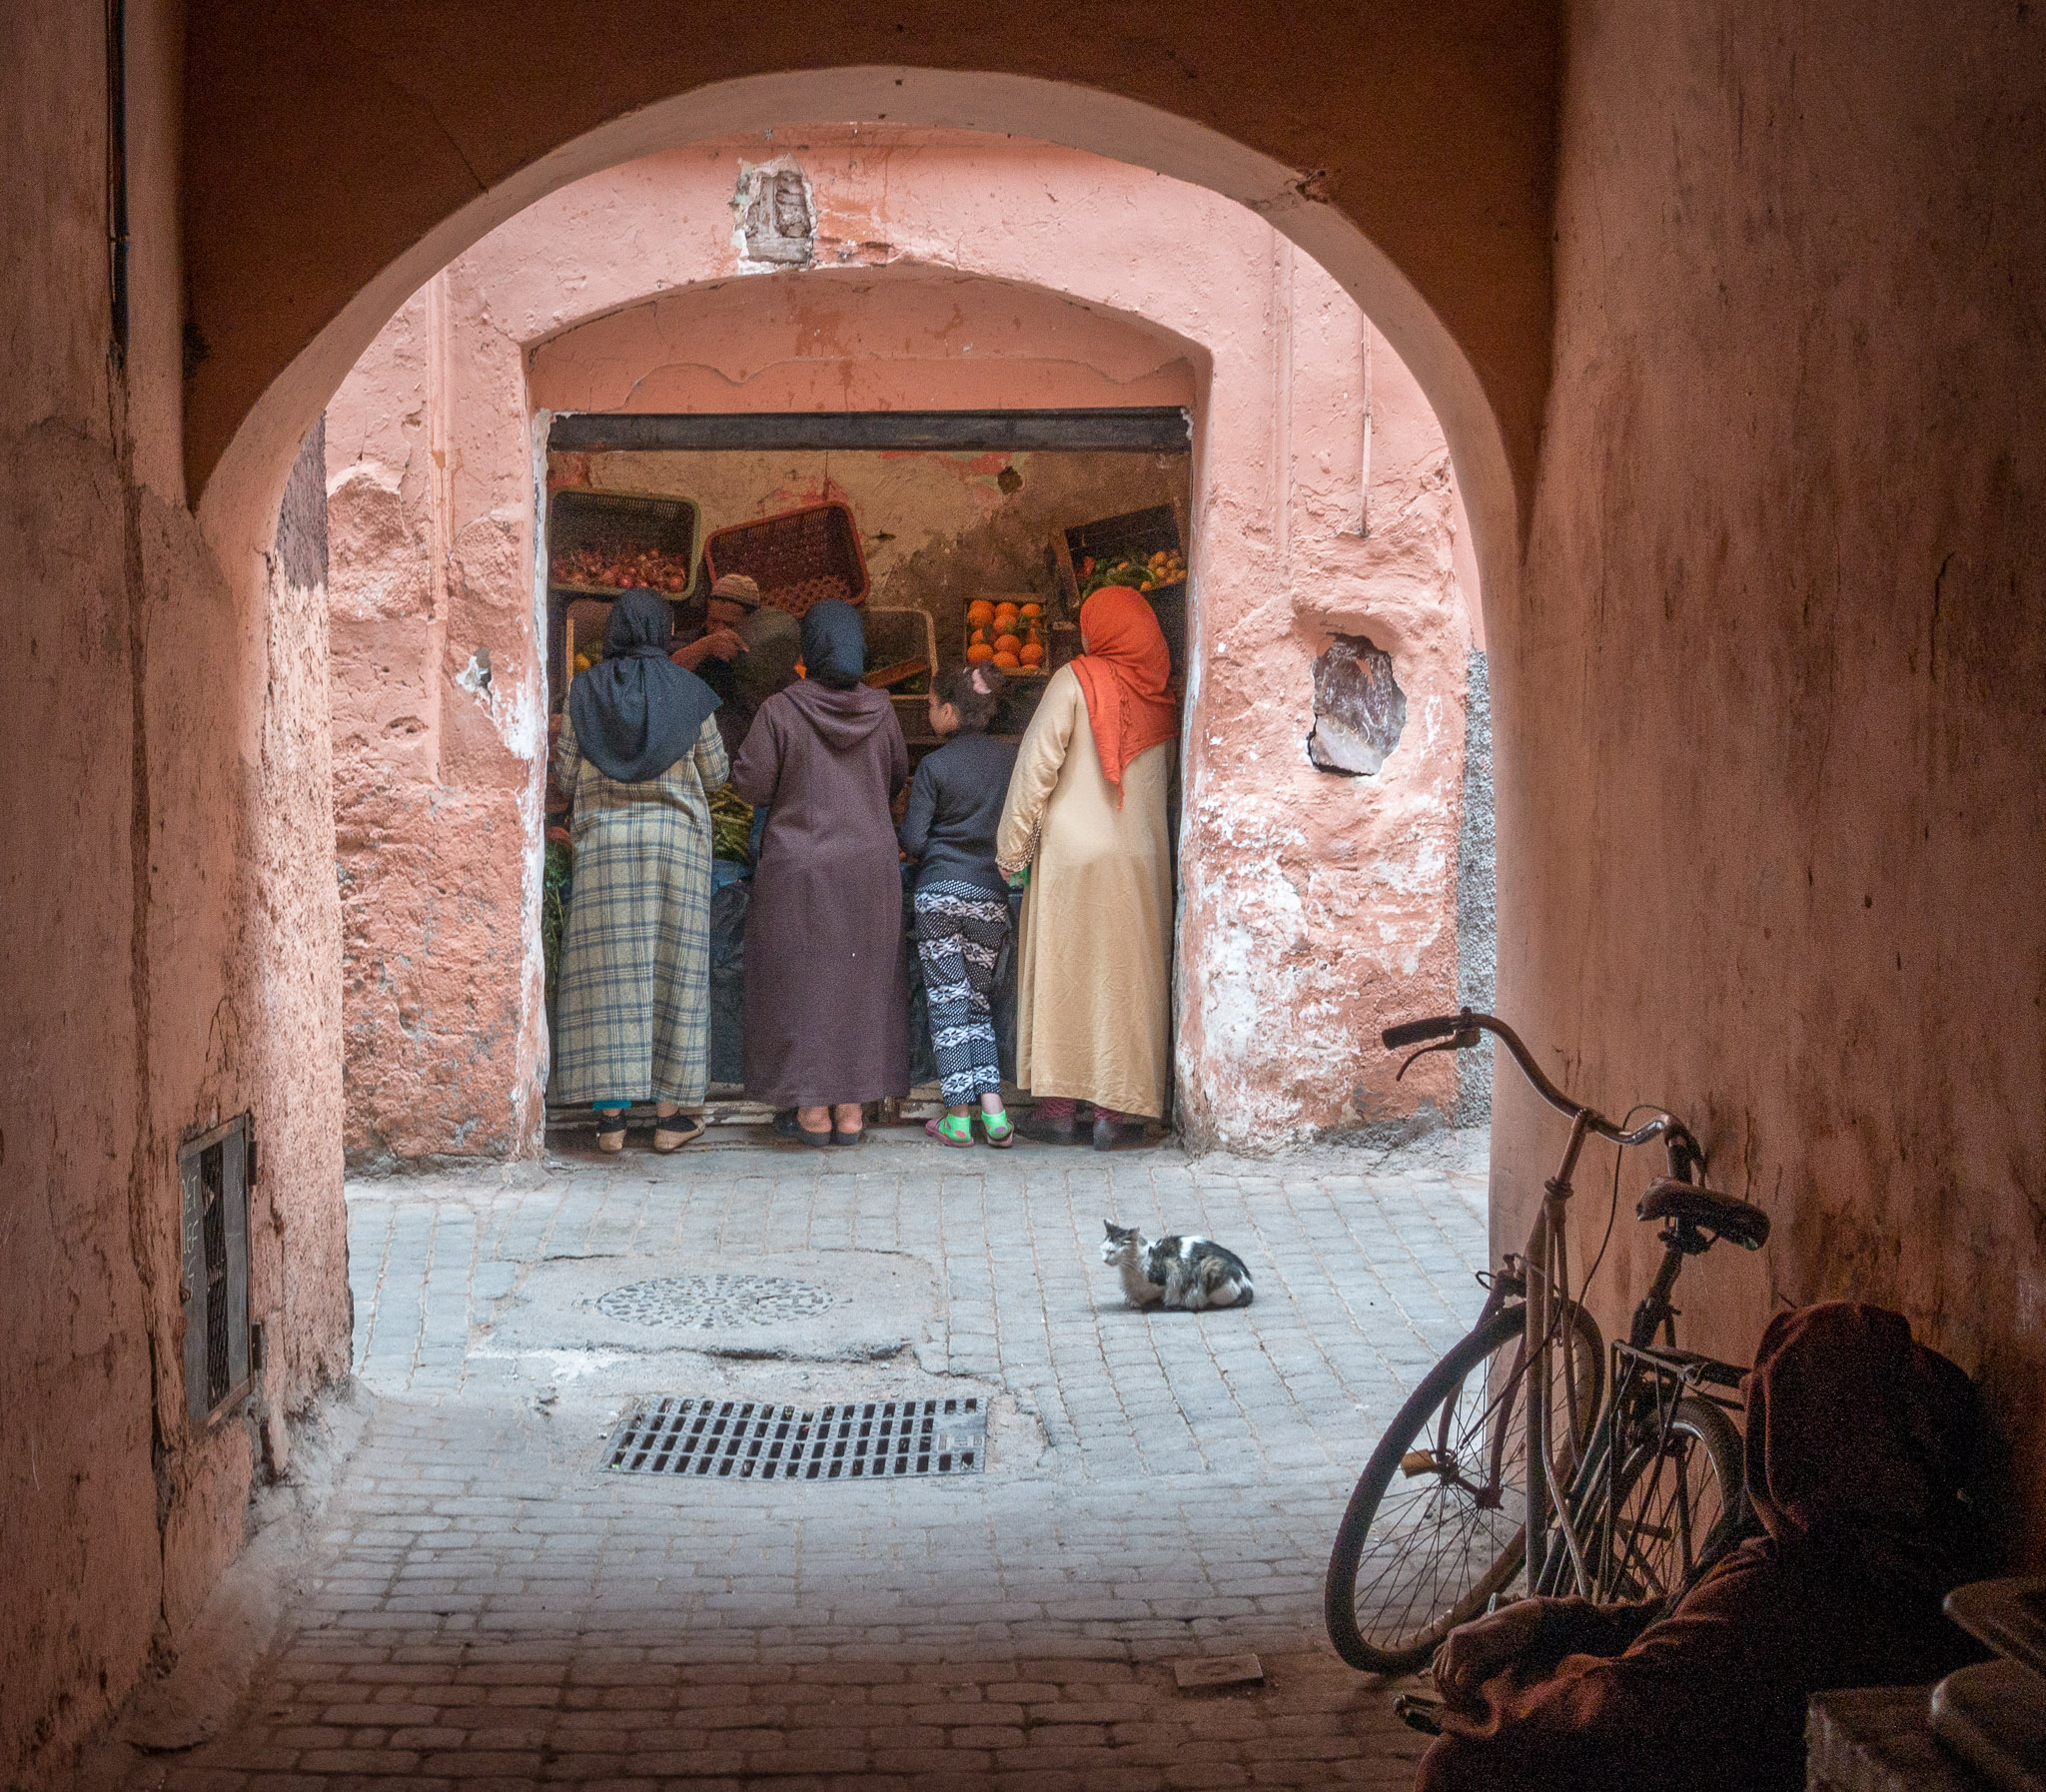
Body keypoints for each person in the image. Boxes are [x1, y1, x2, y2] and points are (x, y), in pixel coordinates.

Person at [1417, 1302, 1983, 1792]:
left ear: (1801, 1437)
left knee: (1457, 1766)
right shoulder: (1900, 1543)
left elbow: (1614, 1704)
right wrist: (1543, 1619)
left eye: (1770, 1411)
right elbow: (1672, 1622)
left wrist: (1493, 1699)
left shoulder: (1785, 1589)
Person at [995, 585, 1176, 1150]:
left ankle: (1054, 1109)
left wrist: (1011, 852)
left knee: (1065, 975)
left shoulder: (1073, 679)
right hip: (1140, 865)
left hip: (1073, 862)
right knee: (1124, 984)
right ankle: (1111, 1114)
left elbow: (1035, 770)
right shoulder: (1164, 698)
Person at [549, 587, 728, 1153]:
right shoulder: (692, 694)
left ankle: (611, 1120)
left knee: (612, 981)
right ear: (664, 631)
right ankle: (673, 1118)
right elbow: (718, 773)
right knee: (675, 975)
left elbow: (568, 779)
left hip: (605, 851)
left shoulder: (585, 692)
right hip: (677, 850)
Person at [730, 599, 911, 1144]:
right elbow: (897, 777)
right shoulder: (883, 711)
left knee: (802, 985)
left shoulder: (780, 711)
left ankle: (811, 1112)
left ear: (806, 652)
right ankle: (851, 1112)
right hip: (870, 868)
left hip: (800, 870)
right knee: (859, 986)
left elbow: (751, 785)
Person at [899, 663, 1018, 1148]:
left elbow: (913, 840)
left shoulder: (934, 766)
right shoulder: (1011, 763)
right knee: (977, 1003)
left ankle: (956, 1116)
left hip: (940, 895)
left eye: (930, 705)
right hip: (991, 894)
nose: (929, 712)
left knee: (948, 1003)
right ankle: (994, 1114)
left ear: (949, 710)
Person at [670, 570, 760, 707]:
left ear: (750, 622)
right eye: (713, 621)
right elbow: (659, 676)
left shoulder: (759, 654)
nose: (718, 631)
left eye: (729, 624)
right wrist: (703, 648)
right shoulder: (686, 641)